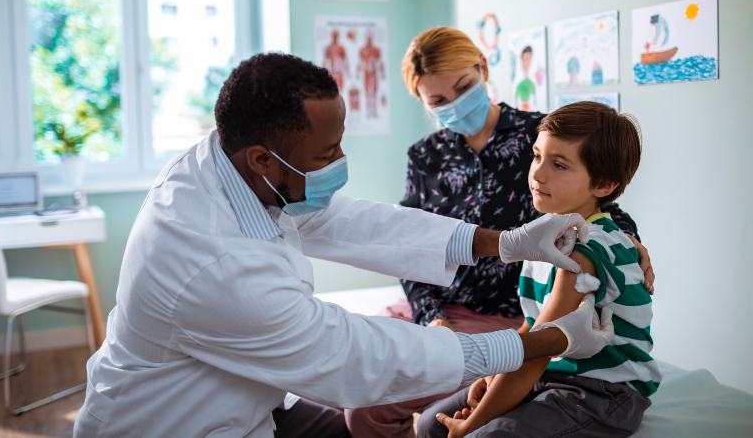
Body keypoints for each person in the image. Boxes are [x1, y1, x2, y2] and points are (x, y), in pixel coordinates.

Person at [73, 53, 615, 438]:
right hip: (174, 422)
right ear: (264, 158)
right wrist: (537, 344)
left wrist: (507, 242)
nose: (339, 164)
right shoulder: (210, 264)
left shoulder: (228, 161)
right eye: (326, 152)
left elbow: (356, 223)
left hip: (244, 398)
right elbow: (352, 355)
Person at [344, 27, 654, 438]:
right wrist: (431, 317)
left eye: (464, 87)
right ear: (422, 102)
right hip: (455, 311)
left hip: (513, 318)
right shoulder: (424, 156)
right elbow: (411, 244)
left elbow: (601, 209)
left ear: (483, 69)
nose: (454, 104)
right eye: (438, 100)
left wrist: (631, 244)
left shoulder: (539, 134)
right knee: (364, 406)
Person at [421, 102, 660, 438]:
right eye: (537, 156)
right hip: (552, 374)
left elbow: (538, 351)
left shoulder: (584, 253)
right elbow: (531, 327)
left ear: (604, 185)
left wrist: (471, 425)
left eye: (559, 165)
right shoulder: (543, 237)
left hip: (600, 391)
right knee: (428, 424)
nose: (538, 173)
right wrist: (490, 377)